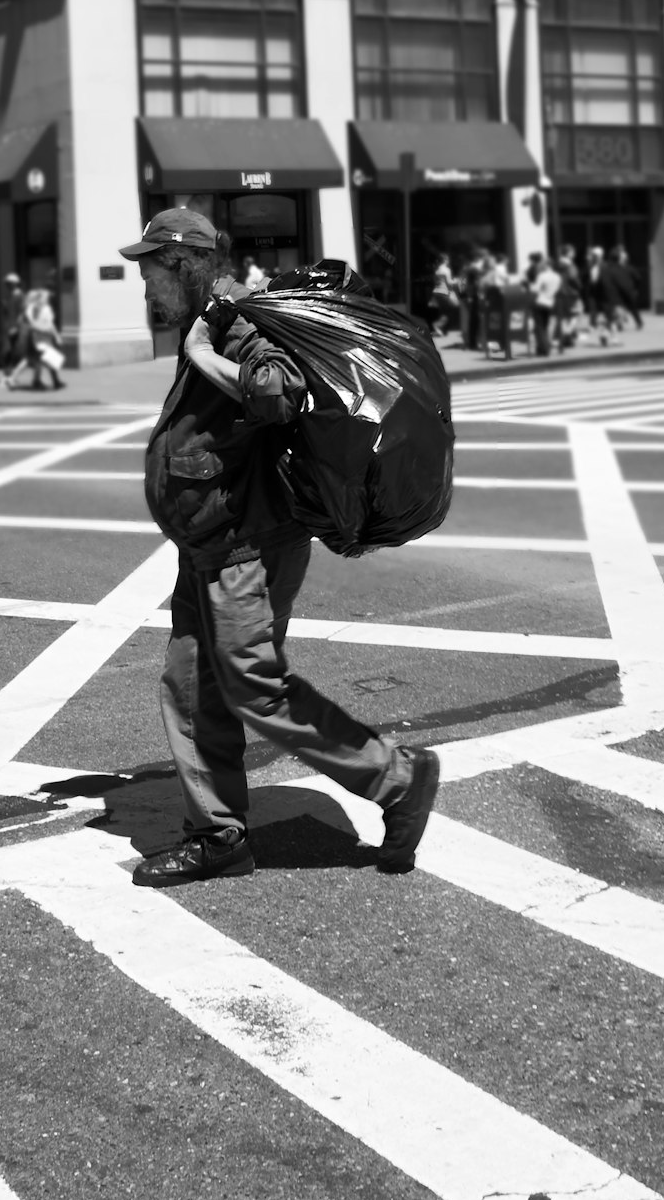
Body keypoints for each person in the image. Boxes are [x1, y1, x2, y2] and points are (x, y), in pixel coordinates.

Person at [116, 208, 440, 888]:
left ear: (186, 266)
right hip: (209, 542)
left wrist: (205, 354)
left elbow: (278, 395)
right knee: (190, 685)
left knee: (255, 689)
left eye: (150, 272)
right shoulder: (208, 322)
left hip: (246, 547)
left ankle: (398, 779)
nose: (144, 289)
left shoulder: (236, 326)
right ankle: (217, 837)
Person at [6, 287, 65, 389]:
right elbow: (46, 324)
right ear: (40, 298)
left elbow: (44, 323)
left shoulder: (35, 308)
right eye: (46, 297)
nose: (47, 300)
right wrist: (56, 335)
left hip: (37, 337)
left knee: (33, 359)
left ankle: (35, 381)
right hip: (40, 338)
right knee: (48, 358)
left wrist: (55, 335)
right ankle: (54, 382)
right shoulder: (41, 309)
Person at [530, 255, 562, 357]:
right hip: (550, 302)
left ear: (547, 265)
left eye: (543, 264)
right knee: (545, 326)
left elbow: (535, 289)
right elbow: (556, 290)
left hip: (540, 301)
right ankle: (544, 347)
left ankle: (543, 348)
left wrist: (529, 286)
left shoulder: (542, 276)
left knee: (539, 327)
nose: (542, 266)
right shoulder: (557, 276)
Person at [0, 273, 27, 384]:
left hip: (14, 327)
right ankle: (7, 374)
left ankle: (11, 375)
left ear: (14, 284)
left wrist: (16, 327)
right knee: (7, 352)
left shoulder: (19, 295)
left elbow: (21, 313)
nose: (7, 285)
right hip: (7, 326)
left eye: (8, 283)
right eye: (6, 283)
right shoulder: (9, 295)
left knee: (10, 351)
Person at [609, 245, 643, 330]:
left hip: (628, 290)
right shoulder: (619, 267)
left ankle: (638, 322)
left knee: (631, 307)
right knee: (621, 307)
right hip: (623, 291)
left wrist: (635, 288)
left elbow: (638, 278)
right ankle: (621, 323)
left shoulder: (628, 268)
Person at [428, 251, 457, 338]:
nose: (448, 261)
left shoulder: (437, 271)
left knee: (443, 311)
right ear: (445, 260)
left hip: (436, 292)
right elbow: (449, 283)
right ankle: (436, 325)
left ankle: (440, 330)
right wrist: (456, 281)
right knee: (449, 311)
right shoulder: (446, 270)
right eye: (447, 260)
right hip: (443, 292)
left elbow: (436, 282)